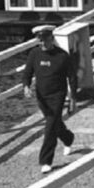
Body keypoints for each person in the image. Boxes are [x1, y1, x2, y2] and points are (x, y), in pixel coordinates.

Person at [22, 25, 77, 174]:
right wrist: (26, 86)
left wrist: (73, 98)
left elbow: (72, 77)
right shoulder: (34, 54)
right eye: (40, 41)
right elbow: (27, 72)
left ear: (52, 39)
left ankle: (46, 160)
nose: (43, 44)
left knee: (50, 127)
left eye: (45, 40)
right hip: (42, 96)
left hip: (57, 95)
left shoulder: (62, 56)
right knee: (54, 124)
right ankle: (68, 138)